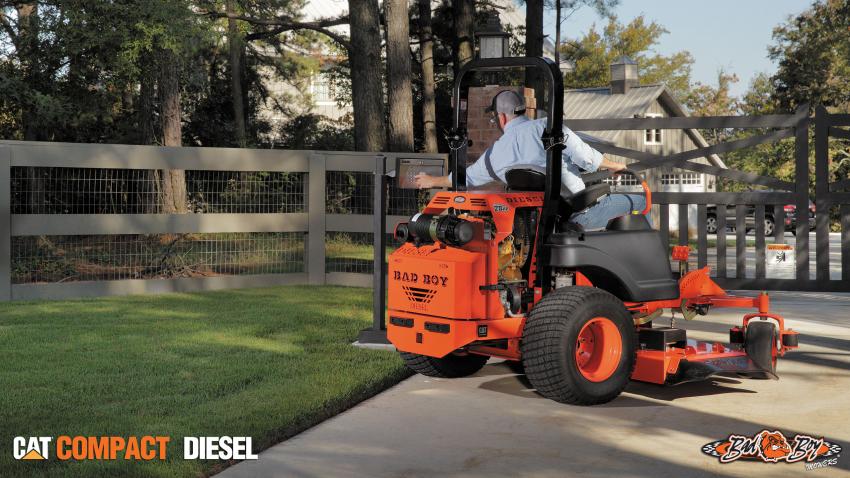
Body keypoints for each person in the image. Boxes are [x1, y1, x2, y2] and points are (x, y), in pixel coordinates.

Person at [414, 90, 647, 230]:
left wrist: (431, 180)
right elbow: (586, 157)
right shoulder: (545, 127)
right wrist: (616, 166)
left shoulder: (496, 152)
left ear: (502, 117)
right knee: (641, 201)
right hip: (578, 213)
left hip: (537, 221)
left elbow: (468, 178)